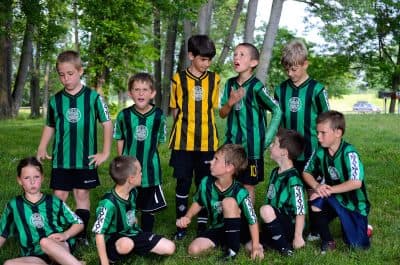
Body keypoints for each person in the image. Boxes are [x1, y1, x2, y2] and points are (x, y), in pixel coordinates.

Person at [37, 50, 113, 244]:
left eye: (70, 73)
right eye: (61, 75)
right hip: (61, 158)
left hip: (85, 159)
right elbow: (50, 125)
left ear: (80, 71)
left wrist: (105, 152)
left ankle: (80, 234)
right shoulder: (56, 100)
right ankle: (56, 233)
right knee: (59, 195)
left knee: (81, 194)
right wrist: (42, 146)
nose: (65, 78)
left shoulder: (93, 98)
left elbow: (107, 123)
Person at [274, 39, 330, 240]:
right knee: (290, 184)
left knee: (310, 187)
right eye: (287, 69)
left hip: (311, 149)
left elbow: (328, 119)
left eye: (295, 69)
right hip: (288, 149)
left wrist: (327, 146)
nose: (290, 73)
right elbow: (277, 118)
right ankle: (290, 223)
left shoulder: (317, 89)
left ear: (305, 63)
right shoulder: (280, 90)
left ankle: (315, 227)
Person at [169, 34, 220, 239]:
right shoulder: (178, 79)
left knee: (205, 182)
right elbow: (175, 110)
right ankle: (181, 223)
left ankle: (202, 222)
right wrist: (184, 129)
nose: (206, 64)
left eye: (209, 60)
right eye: (202, 59)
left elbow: (212, 108)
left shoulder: (214, 79)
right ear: (191, 55)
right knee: (183, 181)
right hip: (182, 142)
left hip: (207, 142)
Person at [176, 144, 264, 261]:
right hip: (218, 229)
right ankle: (227, 244)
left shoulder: (240, 191)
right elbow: (198, 202)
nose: (211, 162)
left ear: (229, 168)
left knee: (228, 202)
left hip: (240, 230)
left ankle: (233, 250)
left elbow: (252, 219)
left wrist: (256, 246)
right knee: (194, 249)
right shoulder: (206, 183)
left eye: (216, 159)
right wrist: (187, 217)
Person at [219, 42, 281, 203]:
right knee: (229, 184)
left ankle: (250, 224)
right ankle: (232, 220)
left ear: (253, 63)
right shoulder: (229, 85)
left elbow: (277, 110)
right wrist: (230, 103)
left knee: (248, 186)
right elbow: (222, 114)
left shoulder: (256, 87)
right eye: (235, 54)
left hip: (252, 149)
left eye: (242, 55)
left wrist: (266, 139)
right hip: (232, 146)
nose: (236, 58)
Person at [303, 110, 371, 253]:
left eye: (323, 133)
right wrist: (317, 186)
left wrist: (329, 190)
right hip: (333, 197)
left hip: (354, 204)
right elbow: (306, 172)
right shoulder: (320, 151)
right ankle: (328, 242)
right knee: (315, 200)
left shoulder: (349, 153)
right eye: (317, 132)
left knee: (357, 246)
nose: (319, 137)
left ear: (338, 133)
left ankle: (364, 228)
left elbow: (356, 182)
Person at [0, 157, 84, 265]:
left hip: (57, 247)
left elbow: (79, 223)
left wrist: (65, 234)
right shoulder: (14, 205)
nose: (32, 181)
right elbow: (2, 233)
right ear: (19, 180)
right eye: (26, 178)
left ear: (42, 178)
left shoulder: (53, 201)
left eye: (36, 177)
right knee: (8, 264)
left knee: (45, 242)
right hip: (34, 255)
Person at [92, 156, 175, 264]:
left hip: (133, 233)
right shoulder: (108, 203)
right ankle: (110, 258)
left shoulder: (133, 192)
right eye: (140, 171)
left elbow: (131, 212)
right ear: (131, 179)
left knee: (170, 247)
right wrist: (104, 263)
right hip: (114, 238)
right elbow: (99, 233)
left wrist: (133, 219)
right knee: (126, 244)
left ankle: (133, 249)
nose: (142, 174)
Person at [113, 73, 167, 233]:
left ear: (153, 93)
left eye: (145, 90)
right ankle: (128, 231)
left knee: (148, 206)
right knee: (128, 201)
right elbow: (120, 138)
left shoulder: (158, 116)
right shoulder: (124, 115)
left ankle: (147, 234)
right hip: (129, 169)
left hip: (150, 169)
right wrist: (121, 162)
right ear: (130, 93)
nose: (141, 93)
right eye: (136, 90)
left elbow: (158, 140)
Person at [259, 128, 306, 256]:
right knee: (249, 244)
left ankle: (285, 248)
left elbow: (300, 211)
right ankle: (274, 240)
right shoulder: (275, 172)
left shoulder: (294, 180)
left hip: (289, 226)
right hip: (273, 222)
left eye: (274, 143)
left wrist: (298, 237)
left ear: (284, 152)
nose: (270, 146)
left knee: (265, 209)